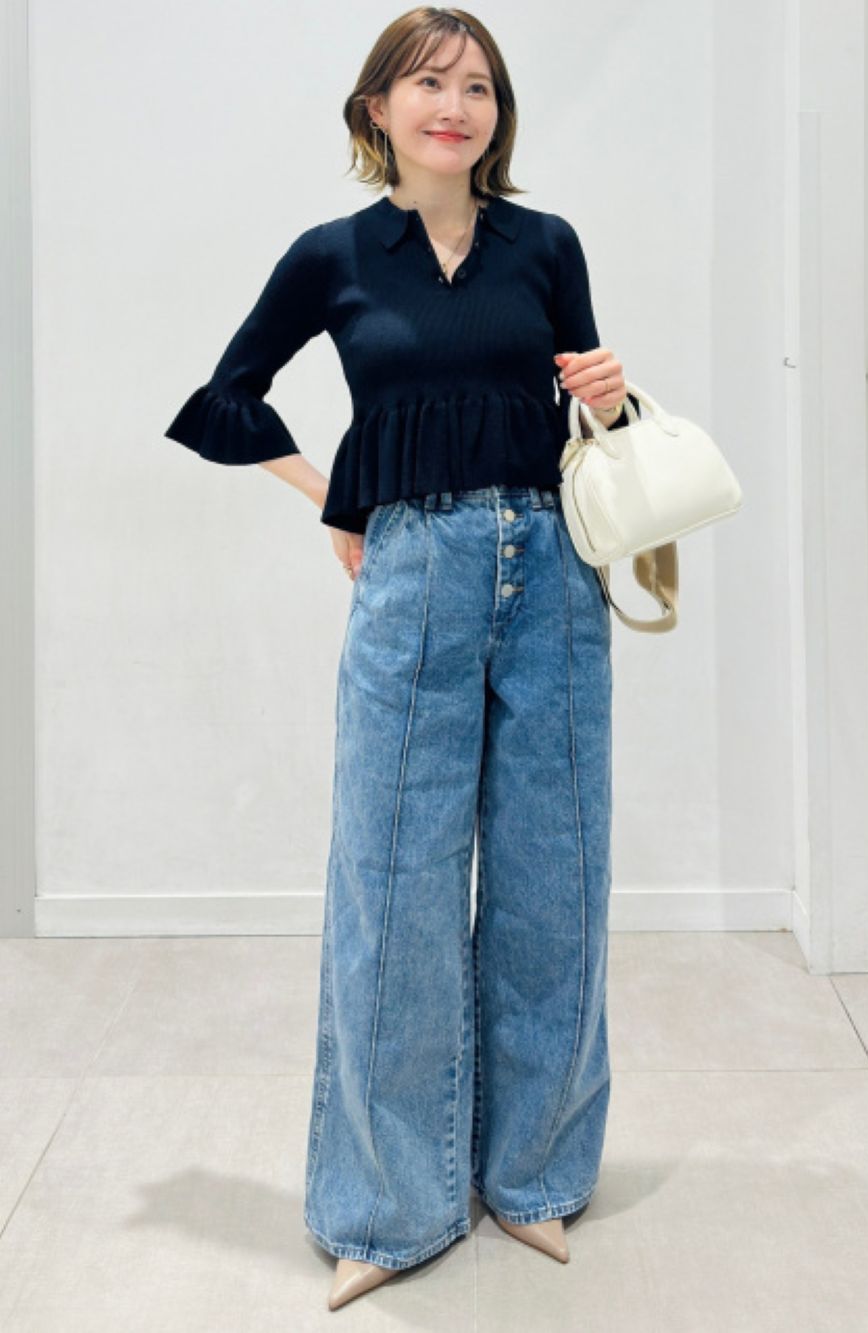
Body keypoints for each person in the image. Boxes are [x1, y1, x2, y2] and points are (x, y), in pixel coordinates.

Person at [164, 7, 638, 1313]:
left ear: (499, 114)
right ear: (378, 108)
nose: (454, 105)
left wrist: (608, 396)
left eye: (478, 86)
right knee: (394, 884)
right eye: (428, 82)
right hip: (414, 575)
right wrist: (338, 495)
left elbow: (586, 421)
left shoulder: (547, 244)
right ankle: (387, 1203)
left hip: (552, 573)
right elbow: (226, 394)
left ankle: (534, 1176)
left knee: (554, 879)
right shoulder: (335, 255)